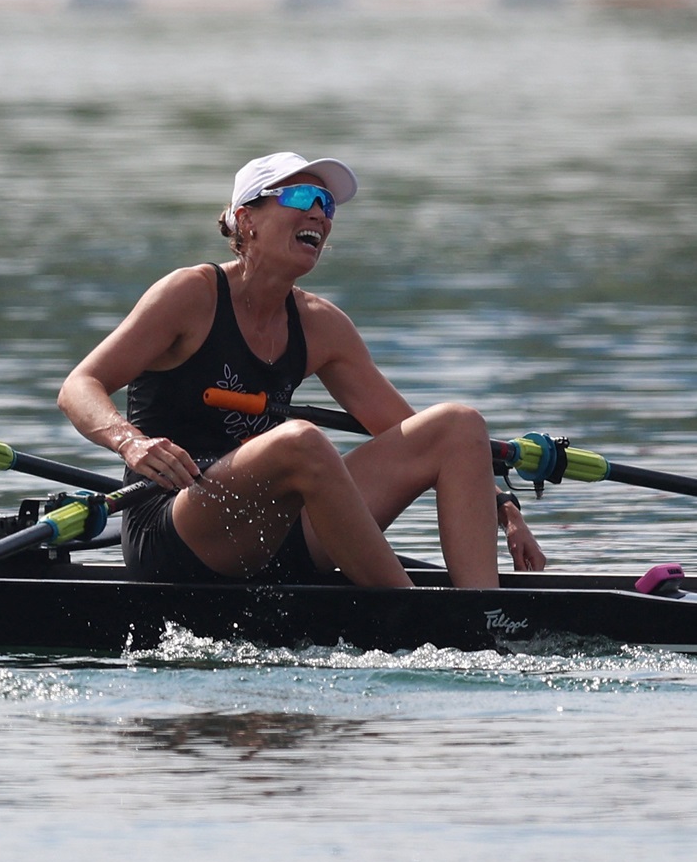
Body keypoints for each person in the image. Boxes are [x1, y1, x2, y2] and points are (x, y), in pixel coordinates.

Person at [58, 151, 546, 588]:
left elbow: (407, 434)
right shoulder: (191, 295)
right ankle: (414, 615)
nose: (319, 212)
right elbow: (79, 386)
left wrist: (502, 506)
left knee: (458, 426)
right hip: (176, 527)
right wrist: (131, 442)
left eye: (328, 204)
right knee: (301, 441)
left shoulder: (321, 326)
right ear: (246, 219)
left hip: (274, 530)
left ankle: (484, 612)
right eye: (302, 196)